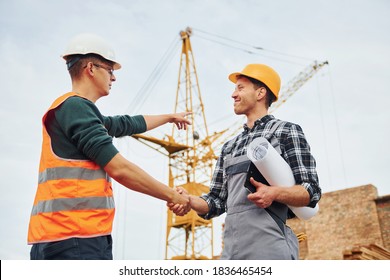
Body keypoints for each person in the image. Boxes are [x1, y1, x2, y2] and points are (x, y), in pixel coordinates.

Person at [28, 33, 190, 260]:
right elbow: (120, 169)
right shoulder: (75, 108)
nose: (113, 78)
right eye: (110, 70)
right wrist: (173, 195)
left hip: (69, 235)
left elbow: (124, 124)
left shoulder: (77, 111)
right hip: (73, 236)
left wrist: (169, 117)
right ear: (91, 69)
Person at [169, 63, 321, 260]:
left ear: (260, 93)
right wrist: (190, 201)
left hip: (269, 247)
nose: (233, 94)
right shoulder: (229, 146)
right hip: (232, 250)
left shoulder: (286, 132)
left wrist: (274, 193)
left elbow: (311, 190)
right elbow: (216, 201)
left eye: (240, 88)